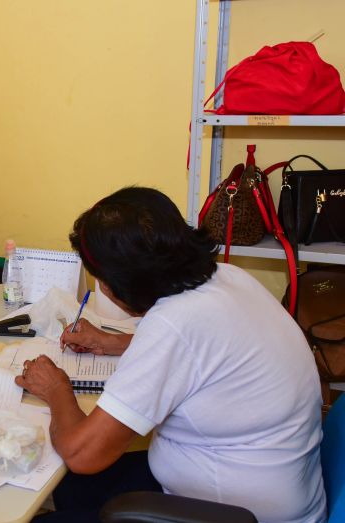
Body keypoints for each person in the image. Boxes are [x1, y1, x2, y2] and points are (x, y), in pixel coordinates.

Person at [18, 187, 326, 523]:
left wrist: (56, 388)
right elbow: (204, 354)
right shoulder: (228, 277)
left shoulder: (173, 323)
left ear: (119, 283)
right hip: (277, 485)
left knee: (51, 501)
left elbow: (82, 454)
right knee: (70, 488)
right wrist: (113, 343)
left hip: (232, 515)